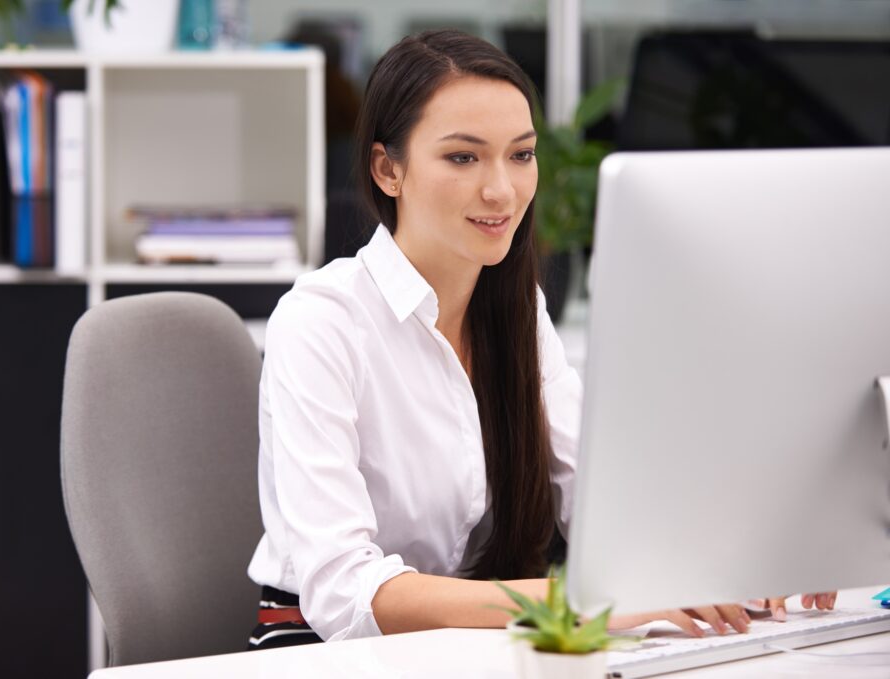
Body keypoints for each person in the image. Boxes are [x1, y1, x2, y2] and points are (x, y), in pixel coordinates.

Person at [245, 29, 836, 651]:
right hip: (319, 646)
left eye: (521, 155)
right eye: (463, 157)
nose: (502, 190)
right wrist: (582, 601)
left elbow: (597, 499)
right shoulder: (321, 321)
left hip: (462, 641)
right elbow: (345, 594)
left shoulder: (518, 312)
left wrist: (737, 567)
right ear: (388, 169)